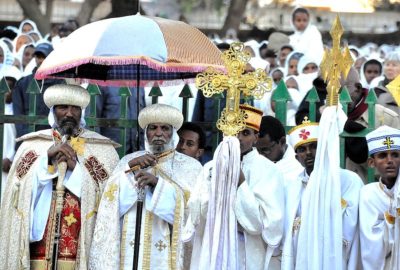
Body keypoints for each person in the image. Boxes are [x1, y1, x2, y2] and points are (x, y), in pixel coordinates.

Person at [0, 84, 120, 270]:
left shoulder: (101, 149)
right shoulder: (32, 146)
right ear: (53, 110)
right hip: (38, 248)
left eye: (75, 108)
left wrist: (76, 169)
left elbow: (107, 198)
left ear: (82, 112)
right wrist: (46, 160)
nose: (69, 113)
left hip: (79, 245)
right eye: (63, 107)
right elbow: (18, 193)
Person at [89, 104, 203, 270]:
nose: (158, 133)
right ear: (145, 132)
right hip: (128, 251)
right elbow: (109, 207)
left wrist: (158, 185)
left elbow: (193, 214)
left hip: (166, 250)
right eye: (153, 128)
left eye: (165, 128)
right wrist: (129, 172)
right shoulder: (128, 161)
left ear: (173, 133)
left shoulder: (190, 167)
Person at [185, 104, 284, 270]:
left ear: (256, 137)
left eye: (245, 133)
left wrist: (241, 183)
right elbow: (197, 214)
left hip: (246, 252)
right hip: (213, 247)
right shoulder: (210, 167)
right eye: (233, 131)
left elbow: (260, 224)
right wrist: (216, 185)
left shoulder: (270, 171)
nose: (238, 137)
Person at [282, 120, 363, 270]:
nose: (308, 153)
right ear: (296, 157)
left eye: (314, 146)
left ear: (324, 149)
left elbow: (352, 226)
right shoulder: (292, 186)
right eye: (302, 149)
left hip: (335, 255)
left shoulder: (348, 180)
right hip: (304, 254)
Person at [359, 125, 400, 269]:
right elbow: (371, 242)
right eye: (382, 156)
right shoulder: (368, 194)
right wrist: (395, 222)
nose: (390, 160)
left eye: (395, 154)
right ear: (372, 163)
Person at [12, 42, 65, 147]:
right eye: (38, 57)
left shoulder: (60, 83)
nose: (40, 60)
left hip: (52, 139)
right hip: (28, 139)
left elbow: (63, 115)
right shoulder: (23, 83)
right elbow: (18, 116)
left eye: (44, 57)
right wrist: (26, 138)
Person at [256, 115, 303, 188]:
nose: (260, 156)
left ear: (282, 142)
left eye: (265, 150)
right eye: (257, 150)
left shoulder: (297, 170)